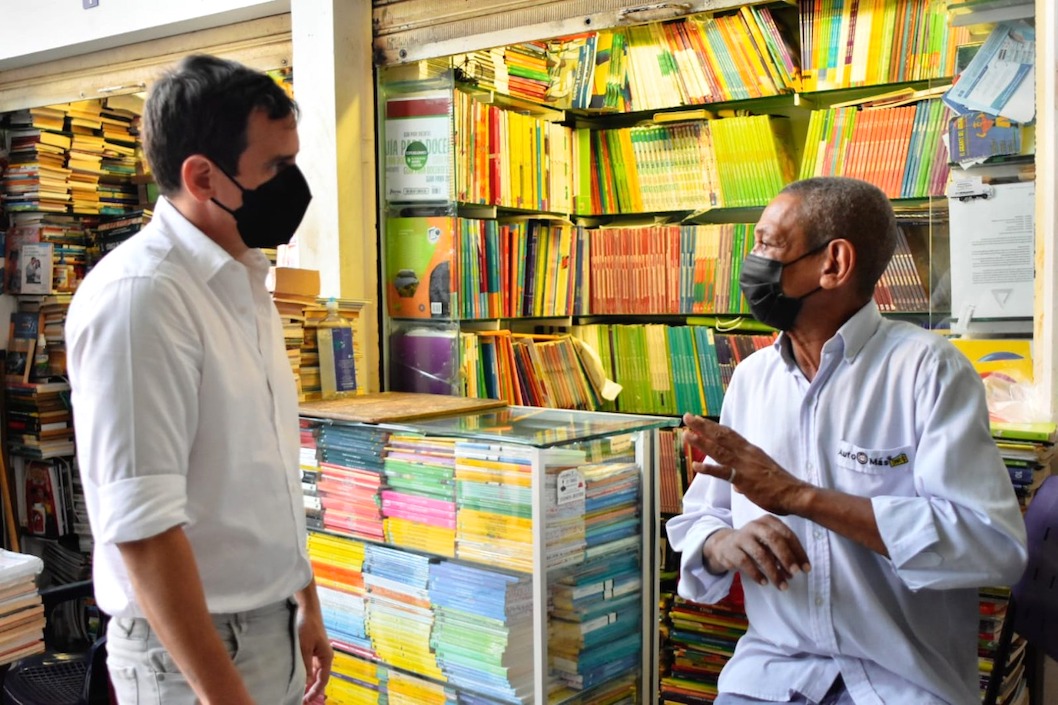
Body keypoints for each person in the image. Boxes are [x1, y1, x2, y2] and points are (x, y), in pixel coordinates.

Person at [666, 176, 1027, 705]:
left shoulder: (928, 370)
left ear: (833, 264)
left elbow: (992, 545)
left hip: (899, 683)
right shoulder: (752, 378)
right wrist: (721, 544)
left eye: (769, 244)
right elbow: (702, 519)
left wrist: (800, 498)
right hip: (770, 675)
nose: (753, 261)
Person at [66, 54, 332, 705]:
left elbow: (261, 466)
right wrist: (223, 692)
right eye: (276, 167)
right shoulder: (141, 299)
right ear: (202, 176)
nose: (293, 183)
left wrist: (304, 598)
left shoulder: (242, 277)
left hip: (267, 625)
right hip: (193, 655)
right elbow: (143, 529)